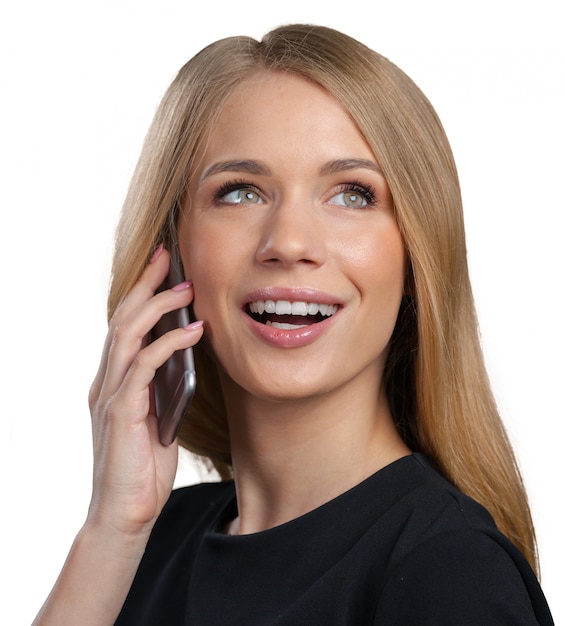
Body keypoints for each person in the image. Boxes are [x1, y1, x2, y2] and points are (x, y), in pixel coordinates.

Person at [33, 24, 553, 625]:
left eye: (353, 194)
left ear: (416, 257)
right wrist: (109, 530)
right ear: (174, 253)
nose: (289, 242)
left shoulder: (450, 572)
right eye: (240, 192)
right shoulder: (147, 542)